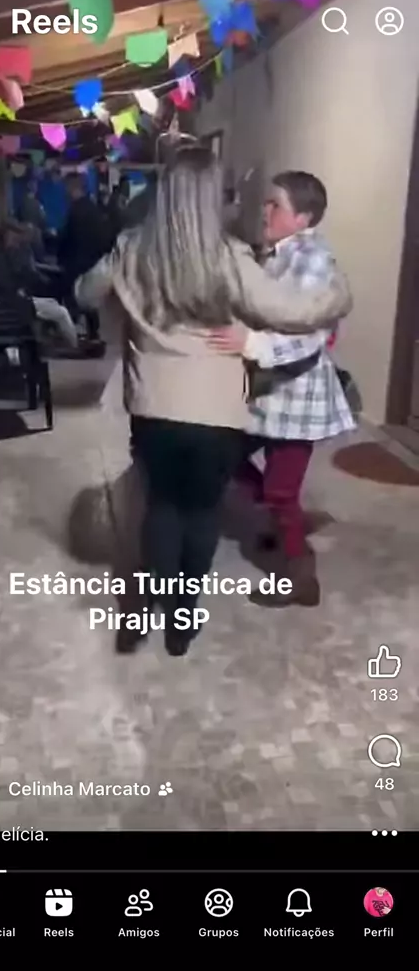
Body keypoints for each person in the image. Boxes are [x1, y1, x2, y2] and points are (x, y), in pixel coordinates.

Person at [75, 146, 352, 657]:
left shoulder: (131, 248)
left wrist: (123, 299)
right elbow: (290, 311)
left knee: (161, 507)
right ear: (211, 199)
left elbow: (85, 294)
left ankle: (148, 606)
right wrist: (338, 297)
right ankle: (181, 623)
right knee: (201, 513)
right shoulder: (230, 257)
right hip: (217, 413)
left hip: (154, 405)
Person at [206, 171, 355, 608]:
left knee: (281, 490)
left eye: (276, 205)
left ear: (303, 217)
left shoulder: (312, 260)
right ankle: (284, 518)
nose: (265, 211)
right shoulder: (279, 254)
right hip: (268, 392)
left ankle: (301, 576)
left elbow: (308, 333)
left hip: (296, 397)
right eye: (267, 202)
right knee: (224, 455)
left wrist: (250, 343)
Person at [1, 221, 78, 349]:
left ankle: (65, 338)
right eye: (12, 236)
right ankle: (74, 345)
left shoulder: (14, 252)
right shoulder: (10, 256)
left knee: (55, 302)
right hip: (24, 301)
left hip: (25, 297)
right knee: (62, 311)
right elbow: (25, 274)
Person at [58, 173, 111, 345]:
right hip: (92, 261)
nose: (65, 192)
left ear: (73, 188)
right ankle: (93, 333)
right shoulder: (92, 208)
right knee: (89, 300)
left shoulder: (75, 211)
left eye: (66, 188)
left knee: (71, 298)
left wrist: (61, 255)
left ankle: (71, 335)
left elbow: (68, 238)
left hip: (76, 261)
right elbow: (103, 237)